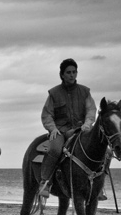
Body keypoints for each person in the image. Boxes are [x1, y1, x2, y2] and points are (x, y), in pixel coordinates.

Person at [38, 58, 104, 200]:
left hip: (81, 129)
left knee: (105, 150)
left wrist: (87, 124)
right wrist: (52, 128)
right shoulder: (54, 93)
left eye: (74, 72)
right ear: (62, 74)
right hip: (61, 131)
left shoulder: (85, 92)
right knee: (55, 149)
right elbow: (47, 114)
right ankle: (45, 183)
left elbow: (91, 110)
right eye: (68, 72)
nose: (72, 75)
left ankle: (99, 186)